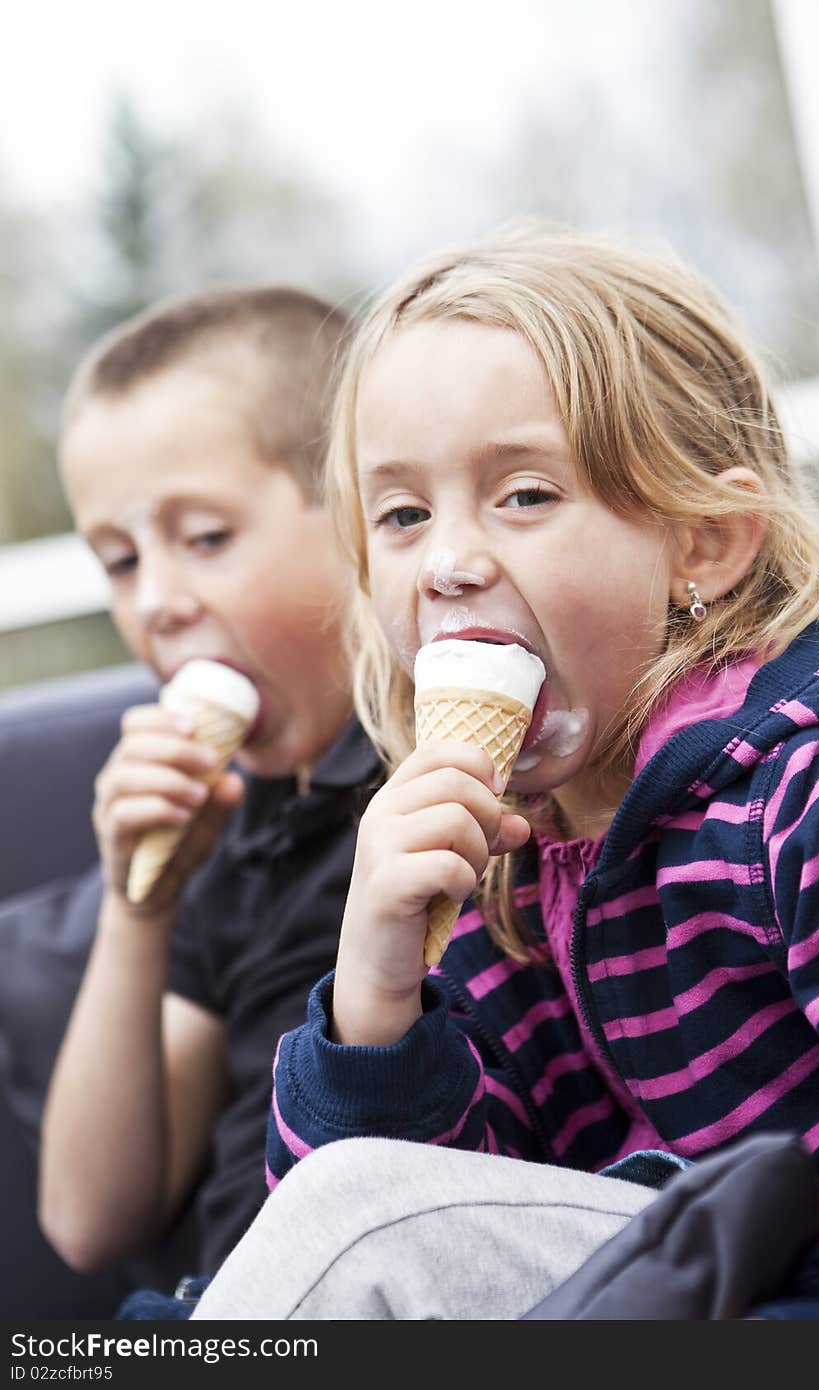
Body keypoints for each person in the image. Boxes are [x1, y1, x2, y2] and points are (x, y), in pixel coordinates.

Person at [191, 223, 819, 1321]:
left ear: (702, 542)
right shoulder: (491, 867)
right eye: (405, 515)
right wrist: (376, 997)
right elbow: (421, 1217)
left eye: (522, 495)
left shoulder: (808, 801)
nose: (453, 562)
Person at [35, 285, 382, 1315]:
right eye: (120, 560)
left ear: (359, 507)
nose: (157, 602)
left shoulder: (439, 774)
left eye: (205, 536)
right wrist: (139, 906)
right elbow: (90, 1213)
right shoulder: (232, 835)